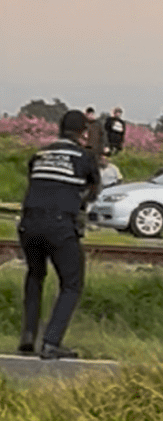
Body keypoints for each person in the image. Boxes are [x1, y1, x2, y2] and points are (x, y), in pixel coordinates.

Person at [17, 108, 101, 359]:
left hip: (28, 223)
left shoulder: (39, 155)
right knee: (72, 283)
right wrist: (81, 203)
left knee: (35, 275)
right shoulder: (83, 157)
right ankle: (51, 342)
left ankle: (28, 336)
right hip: (59, 224)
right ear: (83, 133)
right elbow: (93, 188)